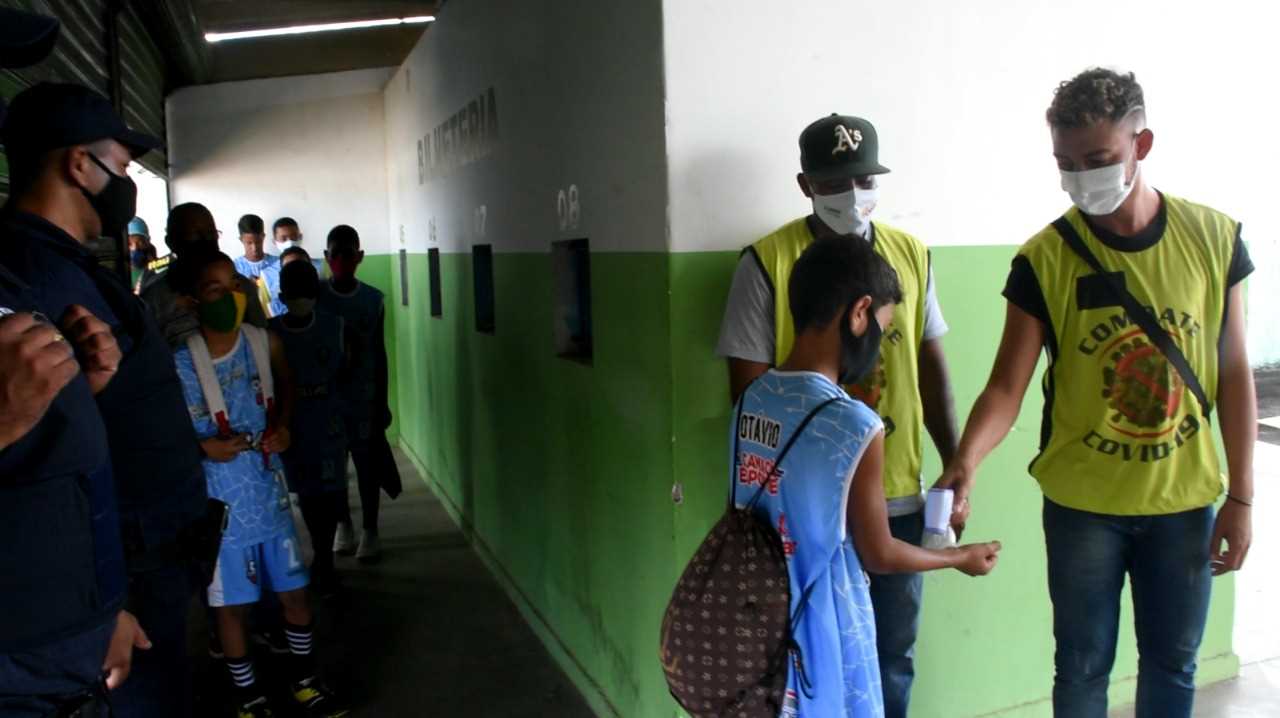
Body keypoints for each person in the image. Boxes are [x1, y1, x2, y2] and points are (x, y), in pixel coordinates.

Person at [934, 68, 1256, 717]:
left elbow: (1234, 374)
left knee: (1173, 664)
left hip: (1184, 500)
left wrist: (1243, 496)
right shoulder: (1044, 260)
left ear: (1143, 144)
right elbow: (1005, 386)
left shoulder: (1214, 239)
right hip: (1083, 506)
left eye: (1100, 159)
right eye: (1067, 163)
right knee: (1081, 666)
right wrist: (964, 462)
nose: (1084, 177)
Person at [716, 113, 959, 717]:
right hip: (800, 519)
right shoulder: (768, 262)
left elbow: (932, 367)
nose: (853, 196)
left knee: (888, 658)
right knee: (801, 666)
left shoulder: (910, 254)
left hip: (896, 491)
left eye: (864, 179)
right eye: (833, 184)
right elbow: (748, 400)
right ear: (806, 186)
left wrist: (956, 463)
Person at [0, 80, 217, 717]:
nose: (127, 186)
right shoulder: (29, 278)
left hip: (134, 571)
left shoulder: (73, 269)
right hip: (112, 579)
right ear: (78, 165)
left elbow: (64, 427)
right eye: (122, 168)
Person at [733, 235, 1000, 717]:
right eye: (881, 328)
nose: (878, 345)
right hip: (823, 626)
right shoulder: (853, 423)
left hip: (758, 613)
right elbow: (878, 553)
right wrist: (959, 557)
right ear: (858, 314)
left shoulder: (753, 398)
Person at [172, 248, 347, 718]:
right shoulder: (180, 364)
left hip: (268, 497)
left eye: (233, 284)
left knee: (293, 593)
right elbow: (164, 433)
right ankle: (248, 696)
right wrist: (201, 448)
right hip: (220, 507)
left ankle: (306, 681)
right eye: (215, 289)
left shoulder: (262, 342)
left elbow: (285, 384)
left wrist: (284, 424)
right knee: (231, 608)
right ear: (190, 302)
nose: (230, 295)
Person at [318, 225, 400, 563]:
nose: (341, 260)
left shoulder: (372, 299)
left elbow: (379, 353)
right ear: (326, 257)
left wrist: (382, 400)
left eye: (348, 253)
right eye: (335, 254)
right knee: (335, 466)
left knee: (367, 465)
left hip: (363, 398)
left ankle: (370, 529)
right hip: (328, 399)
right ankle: (344, 524)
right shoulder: (318, 297)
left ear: (360, 257)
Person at [270, 259, 350, 597]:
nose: (301, 299)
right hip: (293, 426)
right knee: (305, 493)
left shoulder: (335, 327)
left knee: (329, 491)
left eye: (307, 292)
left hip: (329, 424)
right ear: (282, 295)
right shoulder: (271, 333)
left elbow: (347, 372)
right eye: (295, 293)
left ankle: (323, 556)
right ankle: (317, 553)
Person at [141, 202, 268, 347]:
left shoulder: (241, 287)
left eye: (211, 233)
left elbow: (263, 343)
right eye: (194, 235)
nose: (206, 240)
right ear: (171, 242)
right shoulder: (154, 301)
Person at [234, 213, 286, 318]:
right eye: (249, 243)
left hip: (279, 320)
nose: (254, 248)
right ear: (241, 240)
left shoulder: (279, 264)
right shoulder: (233, 268)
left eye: (258, 242)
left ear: (263, 237)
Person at [127, 216, 154, 293]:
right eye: (129, 243)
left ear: (147, 242)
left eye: (140, 242)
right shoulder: (119, 272)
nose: (135, 248)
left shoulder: (156, 267)